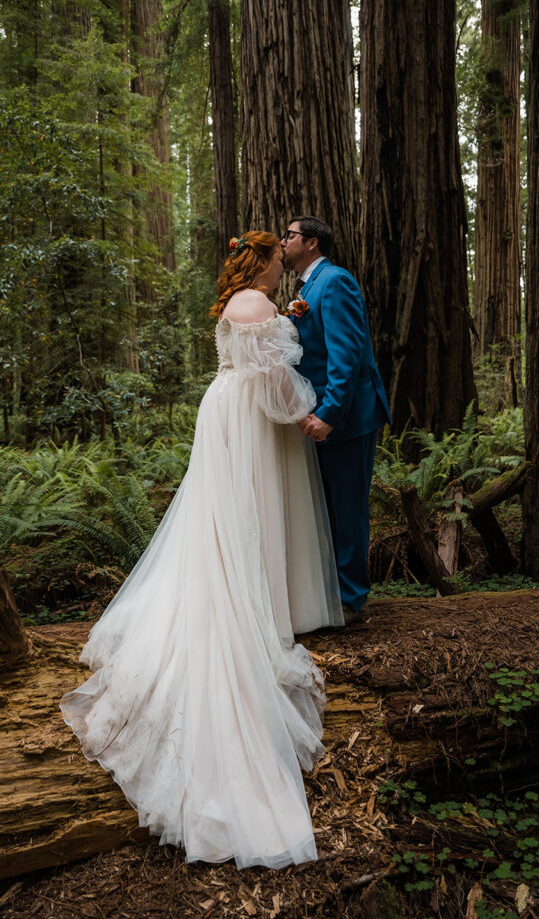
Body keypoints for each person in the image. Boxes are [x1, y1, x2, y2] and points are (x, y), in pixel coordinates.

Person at [60, 232, 343, 871]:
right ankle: (248, 611)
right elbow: (273, 386)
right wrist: (307, 411)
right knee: (240, 522)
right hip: (248, 419)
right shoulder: (256, 306)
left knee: (230, 523)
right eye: (278, 261)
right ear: (265, 263)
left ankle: (257, 598)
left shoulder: (245, 304)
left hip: (229, 413)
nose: (284, 270)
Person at [281, 216, 391, 624]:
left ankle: (353, 600)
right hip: (321, 415)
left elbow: (347, 355)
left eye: (288, 235)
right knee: (325, 508)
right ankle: (332, 595)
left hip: (347, 417)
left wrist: (328, 413)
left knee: (346, 509)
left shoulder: (336, 281)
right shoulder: (307, 287)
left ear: (310, 243)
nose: (282, 241)